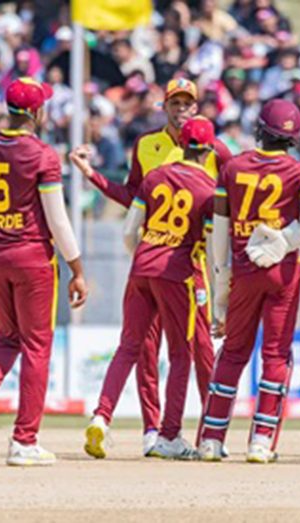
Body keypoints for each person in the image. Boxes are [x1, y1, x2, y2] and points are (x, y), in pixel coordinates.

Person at [78, 78, 231, 456]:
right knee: (157, 349)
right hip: (181, 263)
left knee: (194, 347)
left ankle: (207, 432)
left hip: (154, 259)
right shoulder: (148, 145)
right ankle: (158, 431)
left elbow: (135, 215)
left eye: (187, 103)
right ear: (164, 106)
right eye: (175, 102)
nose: (181, 109)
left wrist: (142, 248)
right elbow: (133, 195)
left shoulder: (217, 154)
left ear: (195, 108)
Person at [0, 77, 88, 466]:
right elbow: (58, 220)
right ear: (35, 112)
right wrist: (77, 267)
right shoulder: (43, 155)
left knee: (6, 337)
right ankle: (24, 440)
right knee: (36, 346)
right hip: (32, 258)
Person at [198, 99, 300, 463]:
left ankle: (211, 439)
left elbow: (220, 233)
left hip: (243, 269)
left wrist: (222, 283)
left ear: (259, 129)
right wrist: (288, 239)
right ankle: (260, 442)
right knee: (275, 355)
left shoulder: (233, 167)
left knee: (233, 352)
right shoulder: (299, 171)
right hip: (283, 270)